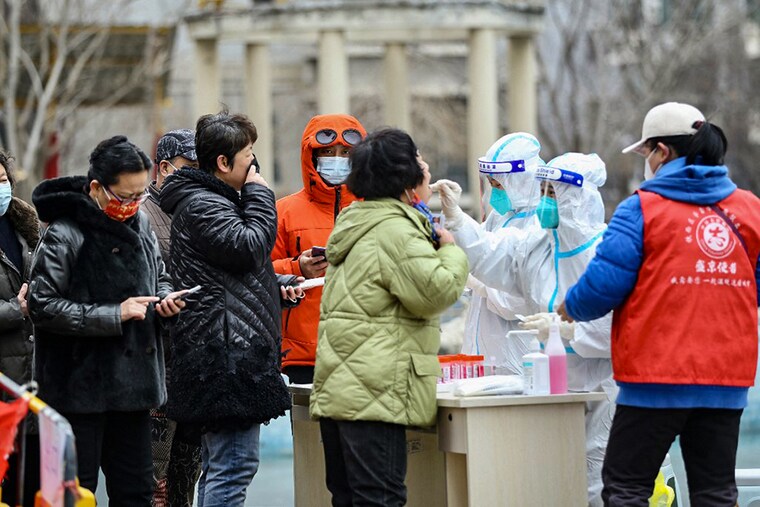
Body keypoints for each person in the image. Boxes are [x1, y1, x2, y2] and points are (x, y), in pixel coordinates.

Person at [559, 102, 760, 507]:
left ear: (662, 152)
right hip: (725, 378)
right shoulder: (749, 209)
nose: (646, 163)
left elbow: (604, 285)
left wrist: (571, 307)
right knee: (716, 493)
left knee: (627, 487)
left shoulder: (642, 208)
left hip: (655, 379)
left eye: (647, 152)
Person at [433, 153, 615, 506]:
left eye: (553, 192)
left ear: (576, 197)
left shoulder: (605, 250)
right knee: (550, 476)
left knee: (597, 480)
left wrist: (568, 331)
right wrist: (458, 220)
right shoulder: (538, 245)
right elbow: (491, 254)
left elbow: (618, 329)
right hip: (551, 382)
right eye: (543, 190)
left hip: (602, 384)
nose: (545, 199)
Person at [310, 128, 469, 507]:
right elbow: (433, 292)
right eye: (419, 160)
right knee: (380, 499)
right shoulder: (395, 231)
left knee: (351, 499)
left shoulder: (360, 221)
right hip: (373, 394)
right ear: (405, 178)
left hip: (345, 392)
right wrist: (451, 251)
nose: (426, 168)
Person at [29, 136, 187, 505]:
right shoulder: (65, 232)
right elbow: (41, 304)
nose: (133, 206)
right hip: (77, 391)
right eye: (124, 197)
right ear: (97, 188)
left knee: (136, 492)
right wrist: (113, 314)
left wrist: (164, 299)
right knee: (74, 493)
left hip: (134, 391)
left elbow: (159, 275)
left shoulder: (141, 224)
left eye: (139, 195)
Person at [158, 110, 300, 507]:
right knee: (232, 467)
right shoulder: (204, 204)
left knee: (225, 466)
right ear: (223, 162)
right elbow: (249, 246)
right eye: (248, 154)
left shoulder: (212, 201)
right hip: (224, 362)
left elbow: (230, 278)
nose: (254, 164)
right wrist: (259, 194)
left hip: (228, 357)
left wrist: (277, 286)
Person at [271, 114, 366, 384]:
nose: (337, 159)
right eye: (328, 152)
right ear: (311, 155)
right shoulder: (284, 211)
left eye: (346, 152)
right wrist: (296, 267)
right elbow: (258, 272)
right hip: (301, 356)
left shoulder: (374, 208)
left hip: (362, 352)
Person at [143, 129, 201, 507]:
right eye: (188, 168)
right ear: (164, 168)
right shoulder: (142, 217)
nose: (198, 177)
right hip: (156, 367)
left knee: (186, 478)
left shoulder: (199, 210)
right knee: (153, 485)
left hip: (194, 365)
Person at [461, 132, 542, 374]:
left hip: (518, 357)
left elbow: (520, 300)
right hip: (482, 353)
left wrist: (481, 283)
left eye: (500, 185)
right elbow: (475, 251)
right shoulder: (500, 216)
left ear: (522, 180)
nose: (495, 192)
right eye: (492, 185)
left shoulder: (540, 224)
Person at [0, 150, 40, 506]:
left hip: (31, 374)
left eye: (2, 180)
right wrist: (17, 309)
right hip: (3, 377)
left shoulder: (25, 225)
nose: (0, 189)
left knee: (27, 486)